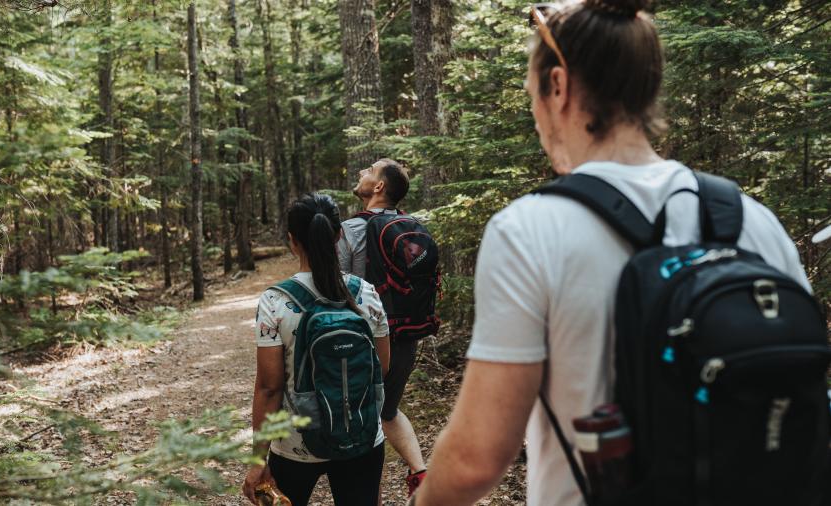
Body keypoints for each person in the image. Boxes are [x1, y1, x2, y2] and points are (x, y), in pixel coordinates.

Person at [411, 1, 813, 505]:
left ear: (558, 87)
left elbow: (475, 458)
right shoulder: (753, 220)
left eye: (531, 91)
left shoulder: (529, 230)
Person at [243, 193, 391, 506]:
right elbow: (382, 367)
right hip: (362, 436)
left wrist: (258, 459)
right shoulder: (366, 293)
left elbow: (270, 388)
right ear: (339, 235)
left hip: (295, 445)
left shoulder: (275, 302)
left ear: (291, 240)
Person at [337, 159, 430, 496]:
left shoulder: (349, 229)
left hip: (367, 341)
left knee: (364, 425)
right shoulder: (411, 228)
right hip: (406, 335)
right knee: (387, 410)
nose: (362, 172)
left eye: (369, 171)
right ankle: (420, 474)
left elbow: (338, 288)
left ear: (378, 187)